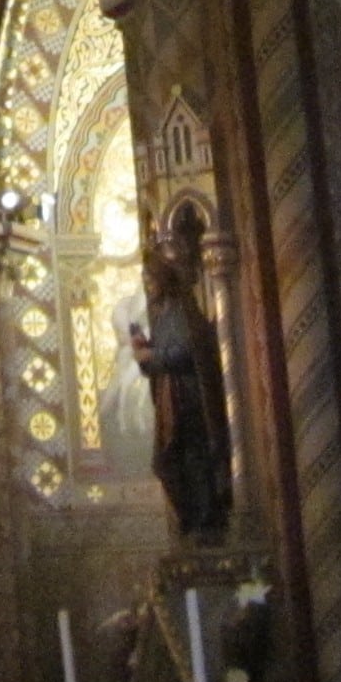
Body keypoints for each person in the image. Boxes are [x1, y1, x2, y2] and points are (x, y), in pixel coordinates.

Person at [128, 230, 233, 542]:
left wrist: (152, 354)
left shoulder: (180, 312)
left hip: (188, 398)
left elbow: (186, 351)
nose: (148, 287)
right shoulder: (164, 314)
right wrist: (144, 352)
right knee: (172, 461)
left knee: (187, 458)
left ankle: (204, 521)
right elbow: (161, 358)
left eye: (151, 279)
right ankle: (194, 522)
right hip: (171, 397)